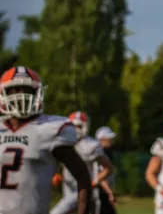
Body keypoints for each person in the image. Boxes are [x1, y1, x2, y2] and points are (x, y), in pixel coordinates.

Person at [0, 66, 94, 214]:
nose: (21, 95)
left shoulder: (49, 128)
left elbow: (83, 177)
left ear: (37, 94)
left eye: (26, 90)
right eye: (15, 90)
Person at [51, 111, 114, 214]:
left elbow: (108, 168)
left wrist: (94, 181)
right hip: (68, 189)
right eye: (73, 125)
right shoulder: (63, 142)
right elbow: (62, 161)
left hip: (85, 191)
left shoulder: (91, 145)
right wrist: (57, 174)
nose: (75, 129)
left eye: (79, 126)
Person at [95, 126, 118, 214]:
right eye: (108, 138)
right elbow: (100, 176)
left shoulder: (107, 153)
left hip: (103, 192)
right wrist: (109, 192)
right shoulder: (99, 155)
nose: (110, 140)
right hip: (100, 192)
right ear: (101, 139)